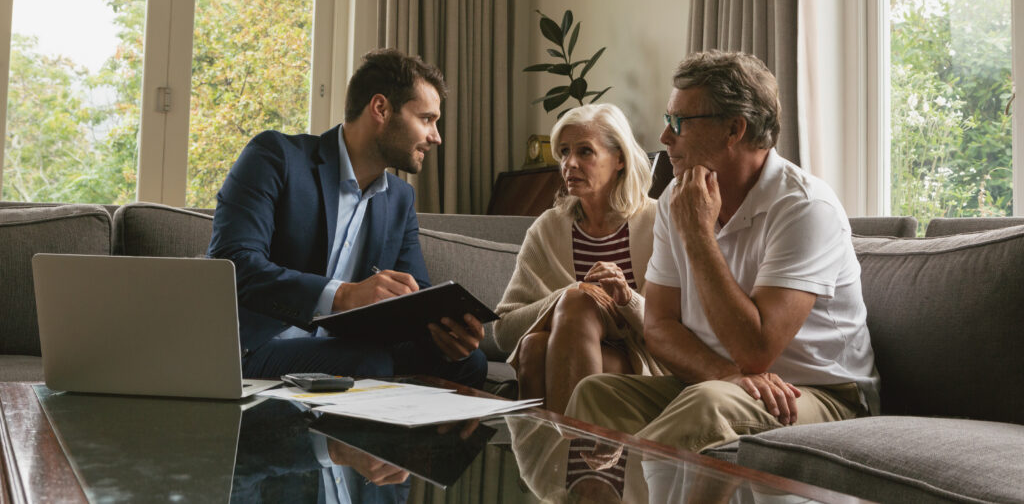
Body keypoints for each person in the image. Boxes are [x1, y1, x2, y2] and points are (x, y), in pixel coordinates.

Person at [565, 51, 879, 453]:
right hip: (724, 382)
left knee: (709, 405)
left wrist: (698, 235)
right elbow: (659, 325)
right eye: (667, 121)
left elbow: (756, 351)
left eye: (678, 123)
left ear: (734, 129)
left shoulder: (804, 207)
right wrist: (724, 374)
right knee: (598, 393)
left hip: (820, 394)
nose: (664, 138)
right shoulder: (679, 195)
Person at [208, 48, 486, 388]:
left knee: (470, 364)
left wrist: (448, 335)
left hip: (350, 347)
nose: (436, 137)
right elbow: (233, 265)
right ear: (380, 108)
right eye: (426, 119)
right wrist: (342, 295)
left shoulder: (399, 198)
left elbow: (416, 298)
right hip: (260, 346)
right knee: (368, 362)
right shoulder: (275, 157)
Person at [493, 103, 664, 414]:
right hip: (566, 352)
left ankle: (561, 455)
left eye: (585, 152)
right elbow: (503, 332)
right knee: (535, 344)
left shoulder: (658, 221)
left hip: (644, 362)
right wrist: (571, 293)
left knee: (576, 305)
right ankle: (567, 454)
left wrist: (626, 300)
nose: (569, 164)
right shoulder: (548, 227)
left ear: (620, 160)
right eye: (564, 153)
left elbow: (674, 327)